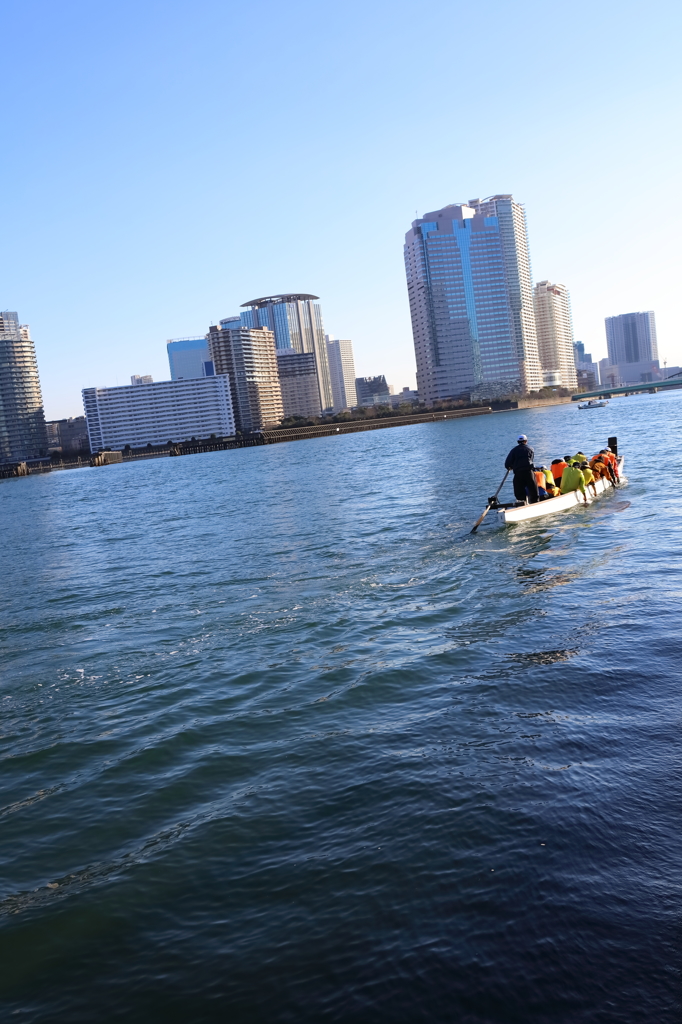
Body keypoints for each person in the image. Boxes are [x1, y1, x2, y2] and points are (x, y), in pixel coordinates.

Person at [505, 434, 538, 503]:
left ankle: (521, 502)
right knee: (533, 488)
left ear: (518, 442)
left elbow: (507, 463)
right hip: (528, 471)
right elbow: (531, 459)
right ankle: (535, 501)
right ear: (526, 441)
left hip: (518, 472)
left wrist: (510, 467)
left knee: (518, 488)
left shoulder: (513, 450)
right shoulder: (530, 449)